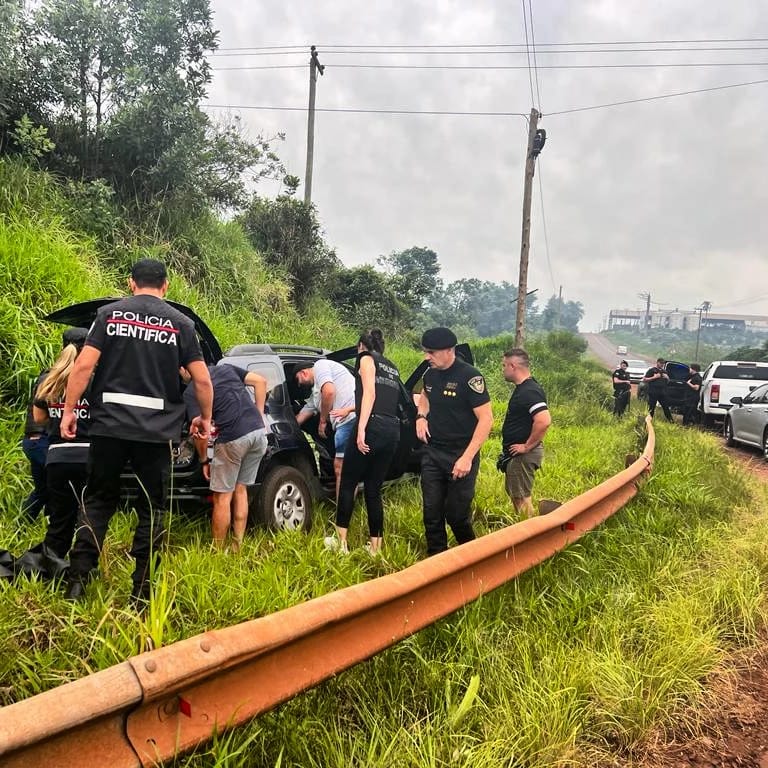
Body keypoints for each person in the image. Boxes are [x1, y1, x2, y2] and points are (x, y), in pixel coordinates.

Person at [61, 258, 213, 603]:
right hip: (155, 433)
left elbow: (83, 366)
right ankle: (142, 592)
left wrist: (69, 411)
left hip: (108, 427)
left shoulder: (109, 315)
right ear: (166, 285)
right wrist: (204, 418)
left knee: (97, 501)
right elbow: (202, 380)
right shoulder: (181, 324)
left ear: (131, 283)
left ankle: (77, 583)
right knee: (152, 508)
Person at [416, 327, 493, 556]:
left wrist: (467, 457)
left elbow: (486, 419)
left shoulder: (469, 377)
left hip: (461, 453)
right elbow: (425, 396)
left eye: (431, 352)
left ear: (449, 350)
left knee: (457, 515)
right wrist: (421, 417)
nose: (426, 357)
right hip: (433, 452)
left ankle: (473, 558)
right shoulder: (430, 375)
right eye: (425, 351)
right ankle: (437, 559)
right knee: (431, 513)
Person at [326, 329, 401, 555]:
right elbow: (386, 400)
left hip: (372, 426)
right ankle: (375, 548)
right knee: (373, 488)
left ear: (361, 346)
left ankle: (341, 543)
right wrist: (350, 409)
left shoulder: (366, 359)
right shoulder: (392, 367)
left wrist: (360, 429)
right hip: (392, 429)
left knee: (348, 483)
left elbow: (370, 394)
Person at [184, 364, 268, 551]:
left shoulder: (192, 390)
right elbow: (261, 382)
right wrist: (259, 415)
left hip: (233, 437)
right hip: (258, 434)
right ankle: (238, 546)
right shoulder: (226, 368)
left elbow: (200, 433)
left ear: (185, 369)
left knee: (222, 497)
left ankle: (218, 552)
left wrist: (204, 460)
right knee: (241, 489)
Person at [28, 329, 91, 568]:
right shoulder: (94, 379)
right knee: (88, 518)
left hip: (56, 456)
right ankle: (80, 572)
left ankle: (49, 568)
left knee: (59, 519)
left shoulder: (49, 378)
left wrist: (59, 413)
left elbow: (38, 417)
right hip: (87, 455)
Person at [500, 348, 551, 518]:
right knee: (518, 496)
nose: (503, 369)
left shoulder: (529, 391)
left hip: (524, 455)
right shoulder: (525, 388)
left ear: (513, 366)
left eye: (504, 365)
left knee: (522, 499)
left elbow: (544, 420)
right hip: (517, 455)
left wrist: (527, 446)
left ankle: (530, 530)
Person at [295, 359, 356, 500]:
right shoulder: (315, 394)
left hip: (350, 419)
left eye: (298, 380)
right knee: (343, 468)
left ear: (304, 373)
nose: (299, 385)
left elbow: (328, 392)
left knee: (342, 469)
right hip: (346, 423)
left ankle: (343, 510)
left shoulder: (320, 365)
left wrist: (322, 421)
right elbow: (303, 414)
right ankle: (345, 507)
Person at [643, 358, 673, 422]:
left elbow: (668, 381)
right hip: (653, 391)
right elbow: (644, 379)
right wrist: (654, 377)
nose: (662, 364)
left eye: (663, 363)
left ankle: (671, 421)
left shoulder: (664, 371)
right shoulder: (652, 370)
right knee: (651, 407)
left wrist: (667, 378)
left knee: (665, 407)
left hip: (662, 392)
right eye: (661, 363)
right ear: (657, 362)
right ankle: (649, 421)